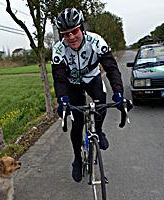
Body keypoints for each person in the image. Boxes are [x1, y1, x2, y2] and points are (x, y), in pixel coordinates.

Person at [51, 8, 132, 182]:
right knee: (77, 123)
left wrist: (118, 94)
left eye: (74, 31)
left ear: (82, 28)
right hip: (72, 84)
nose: (71, 37)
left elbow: (111, 68)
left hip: (92, 78)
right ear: (61, 35)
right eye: (66, 34)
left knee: (101, 105)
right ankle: (77, 160)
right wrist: (62, 100)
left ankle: (99, 131)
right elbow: (59, 78)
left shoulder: (96, 41)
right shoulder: (58, 49)